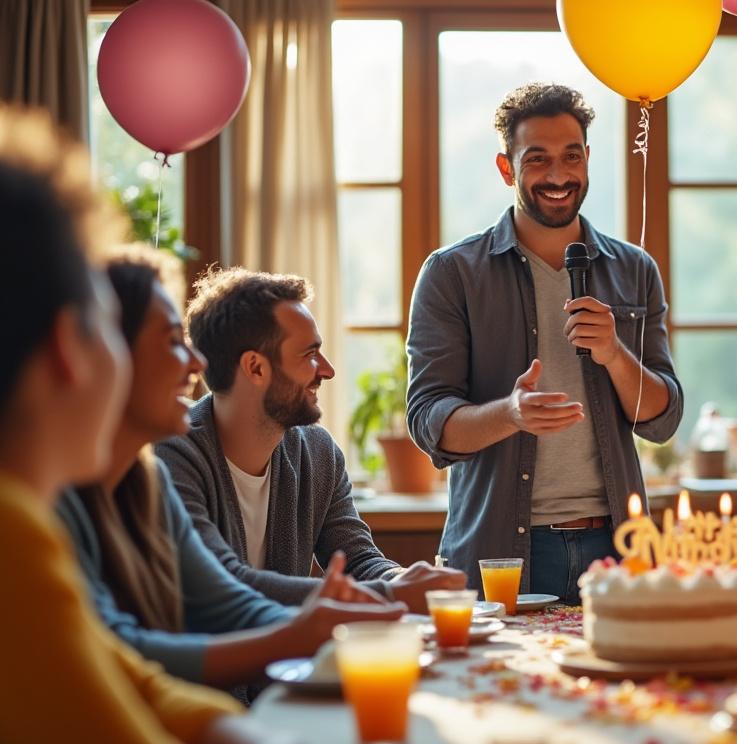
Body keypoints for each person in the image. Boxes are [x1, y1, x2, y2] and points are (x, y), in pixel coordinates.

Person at [0, 105, 307, 744]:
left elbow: (132, 680)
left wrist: (248, 733)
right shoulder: (14, 534)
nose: (196, 363)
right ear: (68, 347)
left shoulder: (121, 485)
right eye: (105, 326)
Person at [59, 249, 404, 691]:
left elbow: (225, 602)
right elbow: (125, 655)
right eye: (171, 341)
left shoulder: (149, 481)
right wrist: (376, 601)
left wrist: (389, 587)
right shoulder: (118, 476)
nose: (196, 363)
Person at [406, 83, 683, 602]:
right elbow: (428, 421)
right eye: (538, 160)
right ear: (507, 169)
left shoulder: (634, 270)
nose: (558, 176)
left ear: (588, 160)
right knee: (504, 685)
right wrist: (509, 414)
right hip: (502, 554)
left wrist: (614, 355)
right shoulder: (452, 274)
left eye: (571, 156)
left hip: (618, 547)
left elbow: (662, 417)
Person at [156, 267, 465, 613]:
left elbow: (359, 561)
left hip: (290, 659)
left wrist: (403, 579)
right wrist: (390, 594)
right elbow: (221, 582)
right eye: (310, 355)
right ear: (256, 368)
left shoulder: (318, 453)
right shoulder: (173, 455)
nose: (328, 370)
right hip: (206, 662)